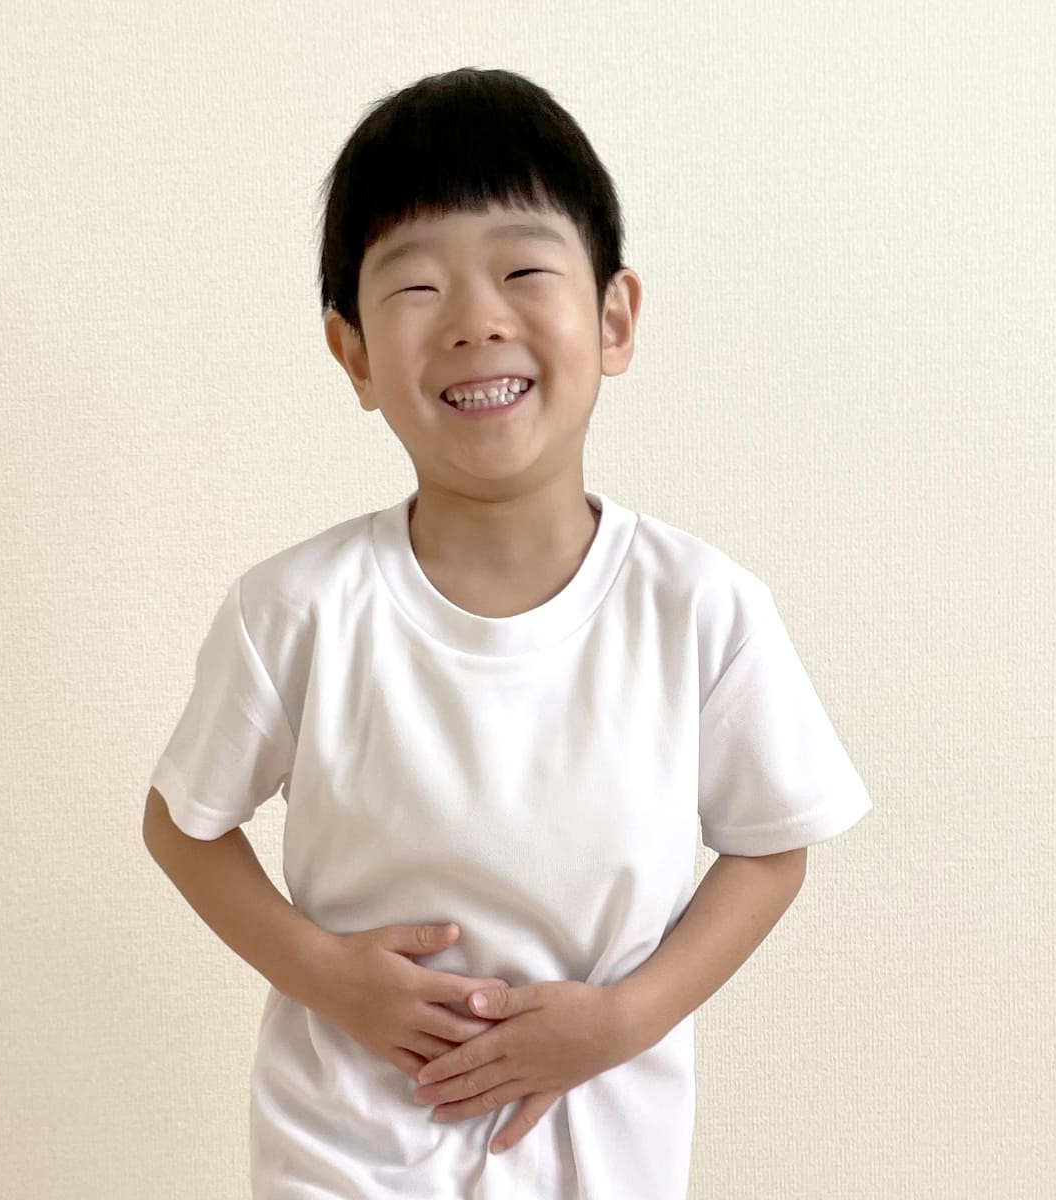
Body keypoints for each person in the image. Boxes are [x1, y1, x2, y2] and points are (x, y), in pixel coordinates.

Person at [143, 66, 872, 1199]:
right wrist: (330, 977)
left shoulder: (698, 606)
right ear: (354, 355)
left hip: (601, 1153)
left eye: (524, 271)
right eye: (416, 286)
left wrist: (622, 1021)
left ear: (614, 318)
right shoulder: (297, 609)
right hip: (344, 1151)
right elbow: (183, 825)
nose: (477, 321)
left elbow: (773, 845)